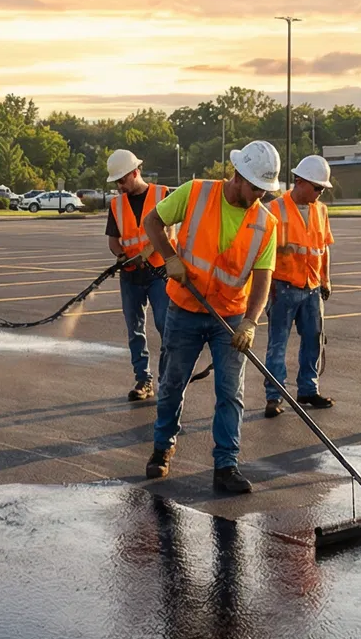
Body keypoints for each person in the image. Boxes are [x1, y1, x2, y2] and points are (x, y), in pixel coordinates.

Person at [141, 140, 280, 494]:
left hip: (230, 319)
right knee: (172, 383)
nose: (259, 196)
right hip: (185, 309)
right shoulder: (196, 193)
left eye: (265, 190)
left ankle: (226, 465)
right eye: (255, 188)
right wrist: (169, 257)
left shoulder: (266, 223)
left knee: (230, 393)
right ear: (237, 176)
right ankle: (162, 448)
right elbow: (153, 220)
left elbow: (263, 279)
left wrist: (250, 322)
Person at [262, 153, 335, 417]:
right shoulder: (274, 209)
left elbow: (323, 248)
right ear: (300, 182)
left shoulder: (321, 210)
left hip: (312, 287)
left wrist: (326, 279)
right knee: (278, 344)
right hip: (282, 287)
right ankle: (274, 395)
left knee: (313, 340)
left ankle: (307, 389)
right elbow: (263, 252)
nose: (319, 194)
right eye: (317, 188)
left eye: (322, 189)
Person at [103, 148, 172, 402]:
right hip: (131, 276)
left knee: (166, 326)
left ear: (135, 172)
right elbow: (113, 240)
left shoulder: (162, 195)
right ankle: (143, 379)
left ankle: (167, 382)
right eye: (117, 182)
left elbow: (167, 232)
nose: (120, 186)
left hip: (159, 274)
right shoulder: (116, 204)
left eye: (122, 180)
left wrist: (147, 253)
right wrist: (121, 256)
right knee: (135, 329)